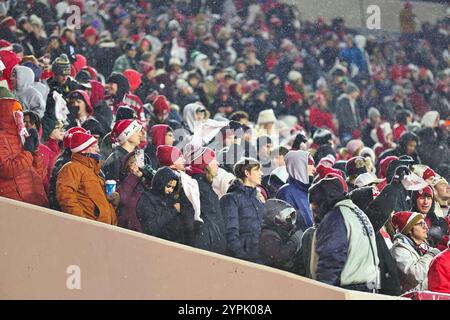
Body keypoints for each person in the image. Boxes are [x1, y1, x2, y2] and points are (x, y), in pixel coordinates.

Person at [308, 176, 380, 293]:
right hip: (369, 287)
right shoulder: (356, 211)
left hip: (350, 290)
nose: (314, 212)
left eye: (314, 206)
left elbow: (331, 260)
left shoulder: (335, 218)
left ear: (323, 201)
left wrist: (322, 292)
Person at [56, 131, 117, 225]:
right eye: (93, 146)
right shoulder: (72, 167)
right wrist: (82, 221)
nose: (98, 149)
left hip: (101, 228)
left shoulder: (94, 171)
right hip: (88, 228)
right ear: (83, 150)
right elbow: (66, 197)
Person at [0, 97, 47, 206]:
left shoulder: (22, 135)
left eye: (20, 111)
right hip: (16, 203)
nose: (20, 115)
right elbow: (6, 170)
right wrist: (27, 152)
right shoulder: (1, 138)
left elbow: (39, 174)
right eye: (16, 112)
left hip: (35, 199)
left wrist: (35, 151)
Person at [220, 157, 264, 262]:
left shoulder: (258, 200)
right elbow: (230, 232)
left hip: (259, 258)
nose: (261, 173)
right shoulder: (230, 198)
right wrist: (241, 256)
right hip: (244, 260)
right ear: (247, 173)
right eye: (257, 170)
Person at [184, 146, 226, 254]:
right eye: (213, 160)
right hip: (205, 246)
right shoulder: (197, 186)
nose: (217, 164)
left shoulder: (205, 186)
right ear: (205, 164)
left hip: (210, 244)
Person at [390, 211, 441, 293]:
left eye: (425, 224)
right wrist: (430, 255)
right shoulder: (399, 250)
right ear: (409, 229)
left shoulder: (424, 248)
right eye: (421, 224)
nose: (426, 228)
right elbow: (416, 275)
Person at [136, 167, 183, 243]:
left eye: (173, 187)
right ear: (161, 183)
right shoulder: (147, 199)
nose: (170, 190)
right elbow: (151, 227)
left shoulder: (169, 199)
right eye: (168, 186)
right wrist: (173, 210)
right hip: (152, 243)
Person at [259, 199, 303, 272]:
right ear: (273, 216)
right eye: (287, 217)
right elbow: (280, 257)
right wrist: (295, 241)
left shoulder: (284, 231)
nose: (290, 221)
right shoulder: (267, 235)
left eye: (292, 217)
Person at [277, 150, 315, 231]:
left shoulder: (310, 191)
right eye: (310, 164)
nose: (314, 169)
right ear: (299, 166)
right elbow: (285, 227)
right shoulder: (286, 192)